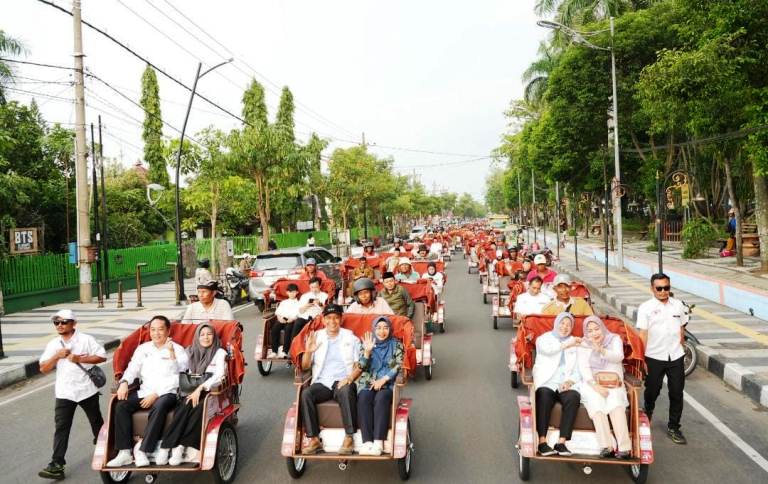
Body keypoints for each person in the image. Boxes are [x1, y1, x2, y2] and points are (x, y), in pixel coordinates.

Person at [107, 316, 189, 467]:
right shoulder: (143, 349)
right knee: (121, 405)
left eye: (160, 329)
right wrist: (124, 382)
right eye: (153, 330)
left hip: (168, 392)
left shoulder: (177, 349)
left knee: (160, 405)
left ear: (168, 331)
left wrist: (157, 393)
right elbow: (132, 369)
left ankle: (143, 449)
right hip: (145, 391)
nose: (156, 333)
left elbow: (179, 377)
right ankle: (124, 452)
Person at [38, 310, 107, 480]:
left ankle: (107, 449)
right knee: (62, 428)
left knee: (96, 423)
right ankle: (57, 464)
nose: (60, 325)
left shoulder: (86, 339)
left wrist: (80, 359)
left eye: (64, 322)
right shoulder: (54, 344)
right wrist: (57, 356)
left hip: (86, 390)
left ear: (74, 323)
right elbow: (43, 368)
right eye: (56, 323)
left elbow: (102, 357)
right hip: (64, 392)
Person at [156, 323, 227, 466]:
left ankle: (180, 447)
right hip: (189, 390)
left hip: (209, 392)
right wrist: (171, 353)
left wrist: (201, 388)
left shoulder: (220, 352)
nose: (206, 337)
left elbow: (219, 375)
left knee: (198, 408)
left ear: (214, 336)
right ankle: (167, 447)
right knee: (184, 407)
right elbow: (178, 370)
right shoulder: (190, 351)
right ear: (197, 337)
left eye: (209, 334)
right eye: (202, 334)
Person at [300, 304, 361, 455]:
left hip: (343, 379)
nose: (332, 321)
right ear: (323, 319)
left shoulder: (350, 337)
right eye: (328, 318)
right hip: (322, 382)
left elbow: (359, 365)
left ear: (341, 319)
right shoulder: (316, 336)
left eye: (336, 318)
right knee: (306, 394)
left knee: (346, 391)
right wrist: (308, 352)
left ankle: (349, 437)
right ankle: (314, 439)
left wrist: (350, 378)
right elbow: (305, 366)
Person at [636, 273, 688, 445]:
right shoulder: (645, 308)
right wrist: (641, 358)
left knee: (676, 392)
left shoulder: (678, 305)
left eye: (666, 288)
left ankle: (674, 427)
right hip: (654, 356)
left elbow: (681, 328)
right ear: (652, 289)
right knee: (652, 390)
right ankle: (648, 411)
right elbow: (642, 334)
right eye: (659, 288)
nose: (663, 291)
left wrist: (682, 347)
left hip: (675, 356)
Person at [578, 316, 631, 459]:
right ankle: (606, 446)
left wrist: (601, 350)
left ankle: (625, 447)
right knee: (596, 404)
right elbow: (584, 367)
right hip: (592, 383)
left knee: (615, 403)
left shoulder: (614, 339)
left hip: (613, 382)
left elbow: (619, 357)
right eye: (589, 331)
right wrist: (595, 386)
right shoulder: (584, 343)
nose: (594, 333)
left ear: (602, 327)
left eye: (597, 329)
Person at [532, 312, 582, 457]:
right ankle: (542, 441)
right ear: (556, 323)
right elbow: (549, 351)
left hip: (564, 383)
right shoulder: (544, 339)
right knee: (544, 396)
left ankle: (561, 442)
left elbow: (579, 368)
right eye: (562, 323)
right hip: (547, 381)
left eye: (568, 325)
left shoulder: (574, 342)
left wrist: (570, 381)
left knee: (574, 397)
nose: (565, 327)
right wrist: (568, 344)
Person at [357, 316, 405, 456]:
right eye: (378, 328)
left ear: (390, 329)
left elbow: (399, 364)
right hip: (368, 382)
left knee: (382, 398)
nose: (381, 331)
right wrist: (367, 352)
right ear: (373, 329)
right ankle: (367, 442)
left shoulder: (396, 344)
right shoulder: (366, 343)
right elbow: (361, 367)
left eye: (385, 328)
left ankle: (378, 442)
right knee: (364, 397)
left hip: (388, 384)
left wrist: (384, 379)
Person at [290, 277, 329, 343]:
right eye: (311, 287)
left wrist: (320, 304)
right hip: (305, 317)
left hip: (318, 318)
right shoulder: (304, 296)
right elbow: (300, 311)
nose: (313, 289)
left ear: (320, 286)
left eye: (316, 287)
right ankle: (294, 346)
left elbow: (327, 310)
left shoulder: (325, 296)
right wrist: (307, 305)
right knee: (298, 322)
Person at [270, 283, 302, 358]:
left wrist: (292, 319)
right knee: (275, 329)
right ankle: (274, 351)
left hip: (292, 320)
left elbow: (298, 314)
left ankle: (285, 351)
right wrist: (280, 319)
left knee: (288, 330)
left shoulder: (299, 303)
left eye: (294, 292)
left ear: (297, 292)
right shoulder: (283, 302)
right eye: (290, 292)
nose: (292, 294)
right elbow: (278, 313)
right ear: (287, 292)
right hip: (282, 319)